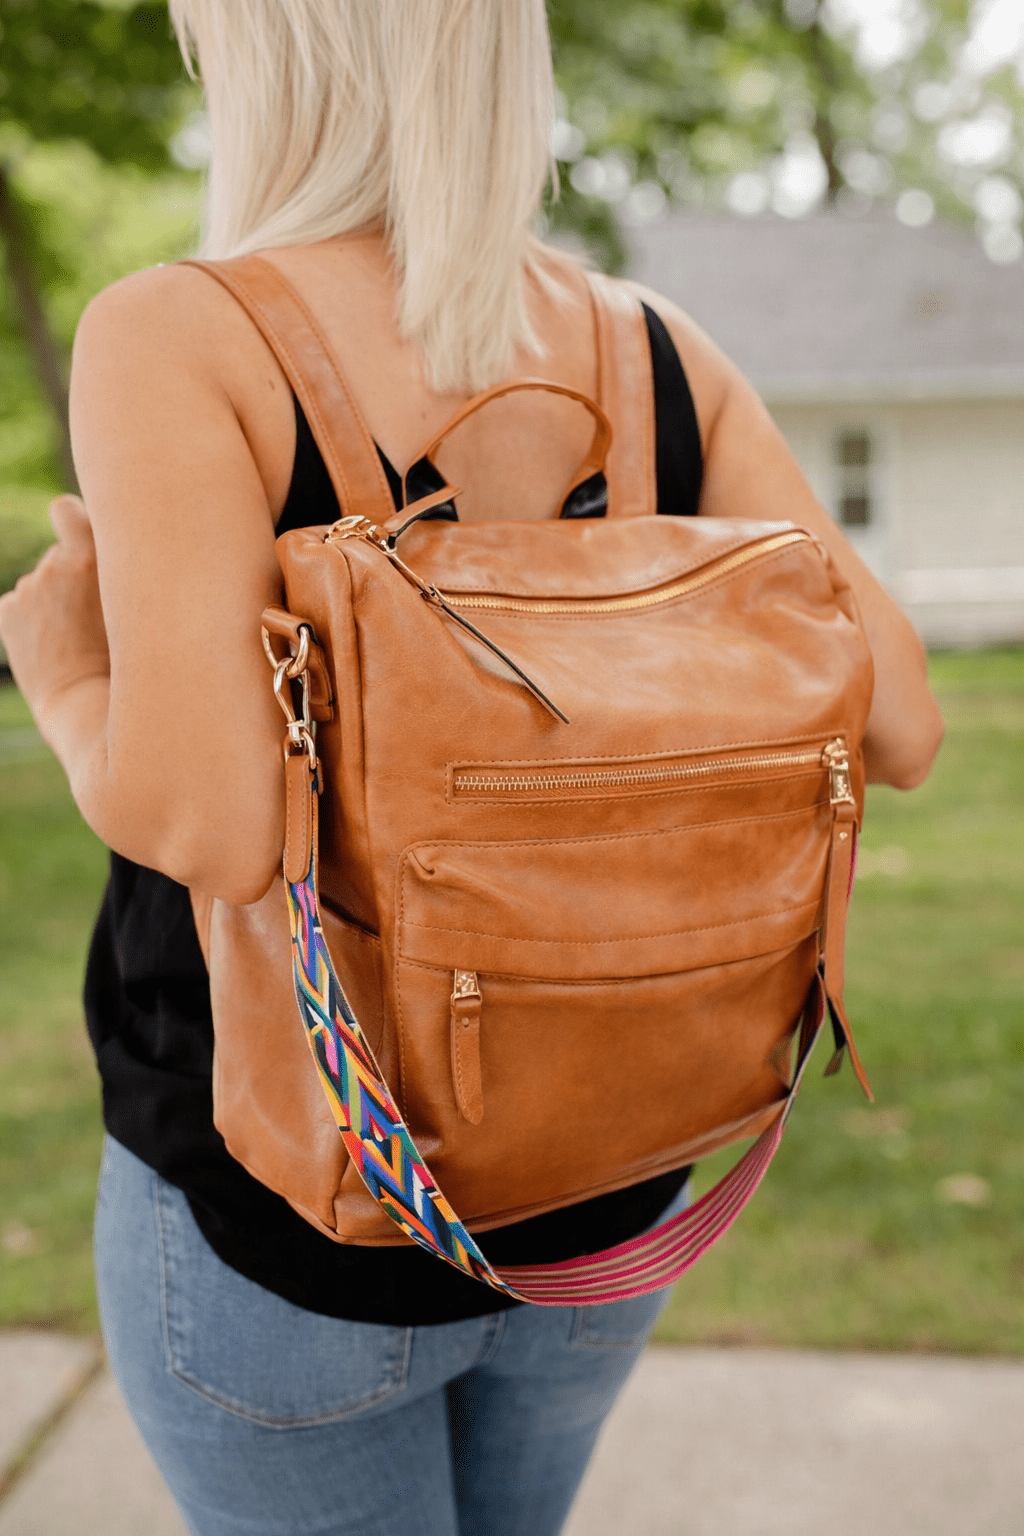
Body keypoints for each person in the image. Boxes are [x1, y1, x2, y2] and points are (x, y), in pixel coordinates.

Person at [0, 3, 944, 1533]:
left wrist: (65, 674)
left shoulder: (181, 335)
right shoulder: (655, 360)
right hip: (613, 1193)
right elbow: (900, 722)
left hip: (303, 1227)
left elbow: (218, 825)